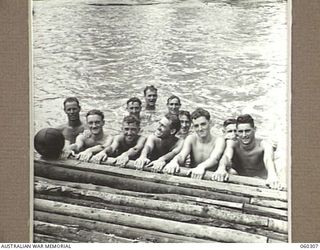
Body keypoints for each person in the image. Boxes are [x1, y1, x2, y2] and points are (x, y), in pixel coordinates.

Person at [211, 114, 282, 190]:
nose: (244, 135)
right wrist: (221, 168)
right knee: (230, 171)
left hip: (261, 181)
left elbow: (268, 159)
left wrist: (272, 175)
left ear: (255, 129)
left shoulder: (264, 145)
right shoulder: (232, 143)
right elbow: (227, 156)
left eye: (247, 131)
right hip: (239, 181)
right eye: (240, 131)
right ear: (237, 132)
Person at [163, 108, 225, 179]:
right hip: (193, 174)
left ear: (210, 123)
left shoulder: (218, 140)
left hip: (210, 177)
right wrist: (174, 161)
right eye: (196, 126)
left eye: (203, 124)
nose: (200, 129)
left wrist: (201, 167)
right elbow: (182, 155)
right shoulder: (191, 139)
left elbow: (215, 158)